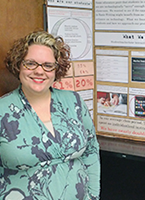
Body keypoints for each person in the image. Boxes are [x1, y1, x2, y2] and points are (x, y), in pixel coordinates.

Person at [0, 31, 100, 200]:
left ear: (56, 69)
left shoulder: (73, 102)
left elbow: (91, 151)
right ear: (18, 65)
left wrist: (93, 195)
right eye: (31, 63)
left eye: (48, 65)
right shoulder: (3, 111)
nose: (39, 71)